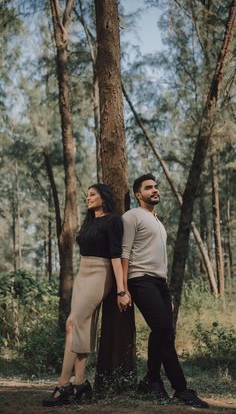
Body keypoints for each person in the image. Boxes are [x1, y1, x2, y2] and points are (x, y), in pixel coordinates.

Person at [121, 174, 209, 409]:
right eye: (149, 188)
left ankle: (165, 383)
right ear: (139, 194)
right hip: (140, 280)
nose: (155, 190)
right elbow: (124, 253)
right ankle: (167, 384)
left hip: (160, 282)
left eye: (156, 187)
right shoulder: (131, 216)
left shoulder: (158, 222)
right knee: (161, 328)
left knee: (166, 335)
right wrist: (122, 289)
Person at [43, 183, 130, 407]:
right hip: (83, 274)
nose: (88, 198)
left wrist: (121, 289)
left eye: (92, 195)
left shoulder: (113, 220)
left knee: (72, 323)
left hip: (101, 274)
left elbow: (115, 256)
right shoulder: (90, 220)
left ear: (104, 197)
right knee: (82, 327)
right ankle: (80, 383)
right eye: (87, 195)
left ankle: (63, 386)